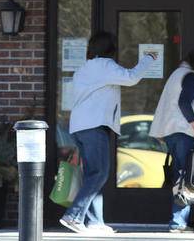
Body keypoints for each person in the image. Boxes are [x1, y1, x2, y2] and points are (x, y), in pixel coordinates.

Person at [60, 31, 157, 235]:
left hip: (79, 127)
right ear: (110, 48)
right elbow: (131, 78)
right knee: (100, 173)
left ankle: (95, 222)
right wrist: (148, 58)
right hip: (94, 127)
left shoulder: (84, 69)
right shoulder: (105, 65)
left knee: (93, 175)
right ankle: (74, 215)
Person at [149, 47, 194, 233]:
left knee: (181, 174)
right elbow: (184, 103)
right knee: (185, 177)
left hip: (171, 131)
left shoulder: (176, 74)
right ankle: (178, 222)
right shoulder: (192, 76)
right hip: (184, 131)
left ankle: (179, 221)